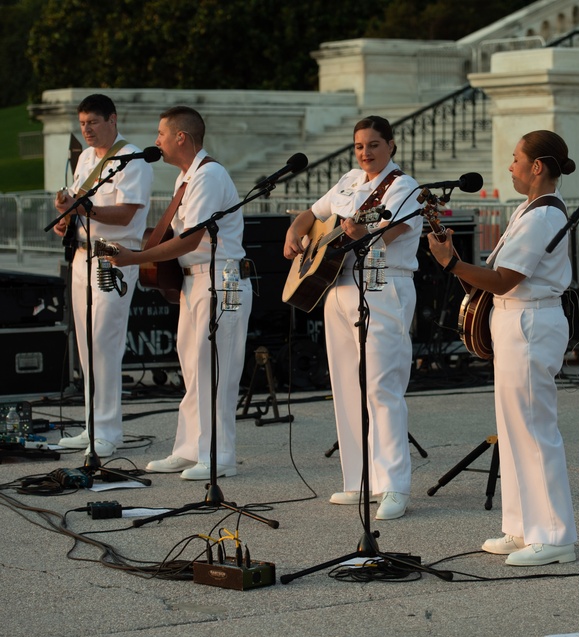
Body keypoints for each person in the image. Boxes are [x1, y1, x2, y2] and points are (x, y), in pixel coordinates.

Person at [427, 130, 578, 566]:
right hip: (514, 318)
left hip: (531, 319)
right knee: (512, 430)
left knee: (534, 430)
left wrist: (450, 263)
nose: (509, 166)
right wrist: (457, 262)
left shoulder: (543, 216)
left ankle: (555, 535)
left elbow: (505, 279)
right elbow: (495, 274)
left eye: (516, 159)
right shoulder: (527, 209)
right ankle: (521, 525)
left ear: (537, 167)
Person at [283, 116, 422, 520]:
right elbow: (311, 214)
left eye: (374, 145)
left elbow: (390, 231)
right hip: (337, 285)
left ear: (391, 146)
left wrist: (361, 230)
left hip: (383, 284)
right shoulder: (347, 179)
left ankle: (394, 485)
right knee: (346, 385)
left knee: (382, 386)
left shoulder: (403, 186)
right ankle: (359, 480)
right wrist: (296, 232)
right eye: (360, 145)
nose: (365, 152)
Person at [110, 106, 252, 481]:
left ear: (181, 138)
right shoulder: (185, 179)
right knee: (192, 365)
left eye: (160, 133)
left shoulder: (209, 175)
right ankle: (191, 448)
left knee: (214, 369)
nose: (155, 140)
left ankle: (220, 455)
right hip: (195, 281)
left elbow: (189, 239)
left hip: (219, 280)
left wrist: (136, 257)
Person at [52, 94, 153, 458]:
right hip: (81, 255)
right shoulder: (83, 159)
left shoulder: (133, 159)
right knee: (86, 347)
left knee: (105, 345)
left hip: (113, 258)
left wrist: (83, 208)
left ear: (112, 119)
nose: (87, 130)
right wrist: (67, 218)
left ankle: (109, 432)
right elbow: (82, 207)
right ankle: (93, 427)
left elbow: (126, 215)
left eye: (93, 122)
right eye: (82, 124)